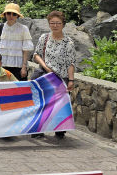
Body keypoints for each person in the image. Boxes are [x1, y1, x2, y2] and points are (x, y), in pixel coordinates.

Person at [32, 10, 76, 139]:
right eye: (52, 23)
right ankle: (38, 129)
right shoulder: (44, 38)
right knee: (41, 103)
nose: (55, 25)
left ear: (63, 24)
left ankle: (60, 128)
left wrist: (71, 80)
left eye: (58, 23)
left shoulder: (69, 42)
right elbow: (36, 55)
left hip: (60, 78)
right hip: (45, 76)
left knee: (59, 105)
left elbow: (71, 63)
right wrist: (46, 67)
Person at [0, 3, 34, 81]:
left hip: (19, 67)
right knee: (2, 90)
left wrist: (24, 67)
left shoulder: (23, 29)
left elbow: (25, 50)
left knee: (19, 90)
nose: (11, 16)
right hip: (2, 66)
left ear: (17, 16)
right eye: (8, 13)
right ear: (5, 15)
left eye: (14, 14)